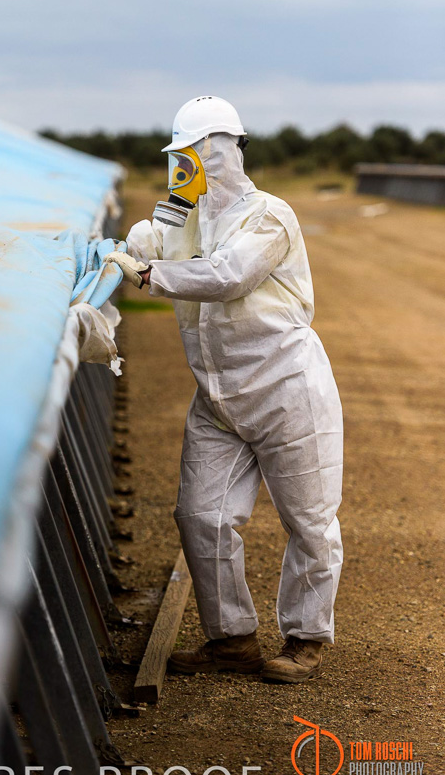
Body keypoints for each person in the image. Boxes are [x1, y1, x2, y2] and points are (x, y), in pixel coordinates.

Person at [105, 96, 343, 683]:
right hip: (217, 397)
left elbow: (229, 275)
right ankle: (231, 639)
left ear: (222, 150)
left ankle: (306, 638)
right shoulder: (184, 218)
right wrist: (140, 238)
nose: (184, 166)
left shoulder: (270, 216)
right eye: (179, 157)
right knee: (200, 515)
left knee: (309, 521)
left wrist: (149, 275)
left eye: (192, 154)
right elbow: (146, 245)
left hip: (285, 388)